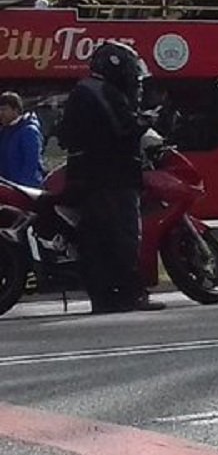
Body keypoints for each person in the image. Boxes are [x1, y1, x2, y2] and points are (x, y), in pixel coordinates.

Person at [57, 42, 155, 313]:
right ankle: (129, 294)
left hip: (84, 176)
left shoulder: (82, 91)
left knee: (95, 240)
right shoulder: (103, 92)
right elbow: (124, 128)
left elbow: (64, 134)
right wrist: (148, 120)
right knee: (123, 237)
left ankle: (104, 298)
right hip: (112, 177)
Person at [0, 92, 45, 189]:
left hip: (25, 190)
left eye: (4, 109)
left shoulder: (28, 131)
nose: (1, 113)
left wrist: (21, 188)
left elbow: (31, 164)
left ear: (16, 110)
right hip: (7, 187)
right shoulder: (5, 131)